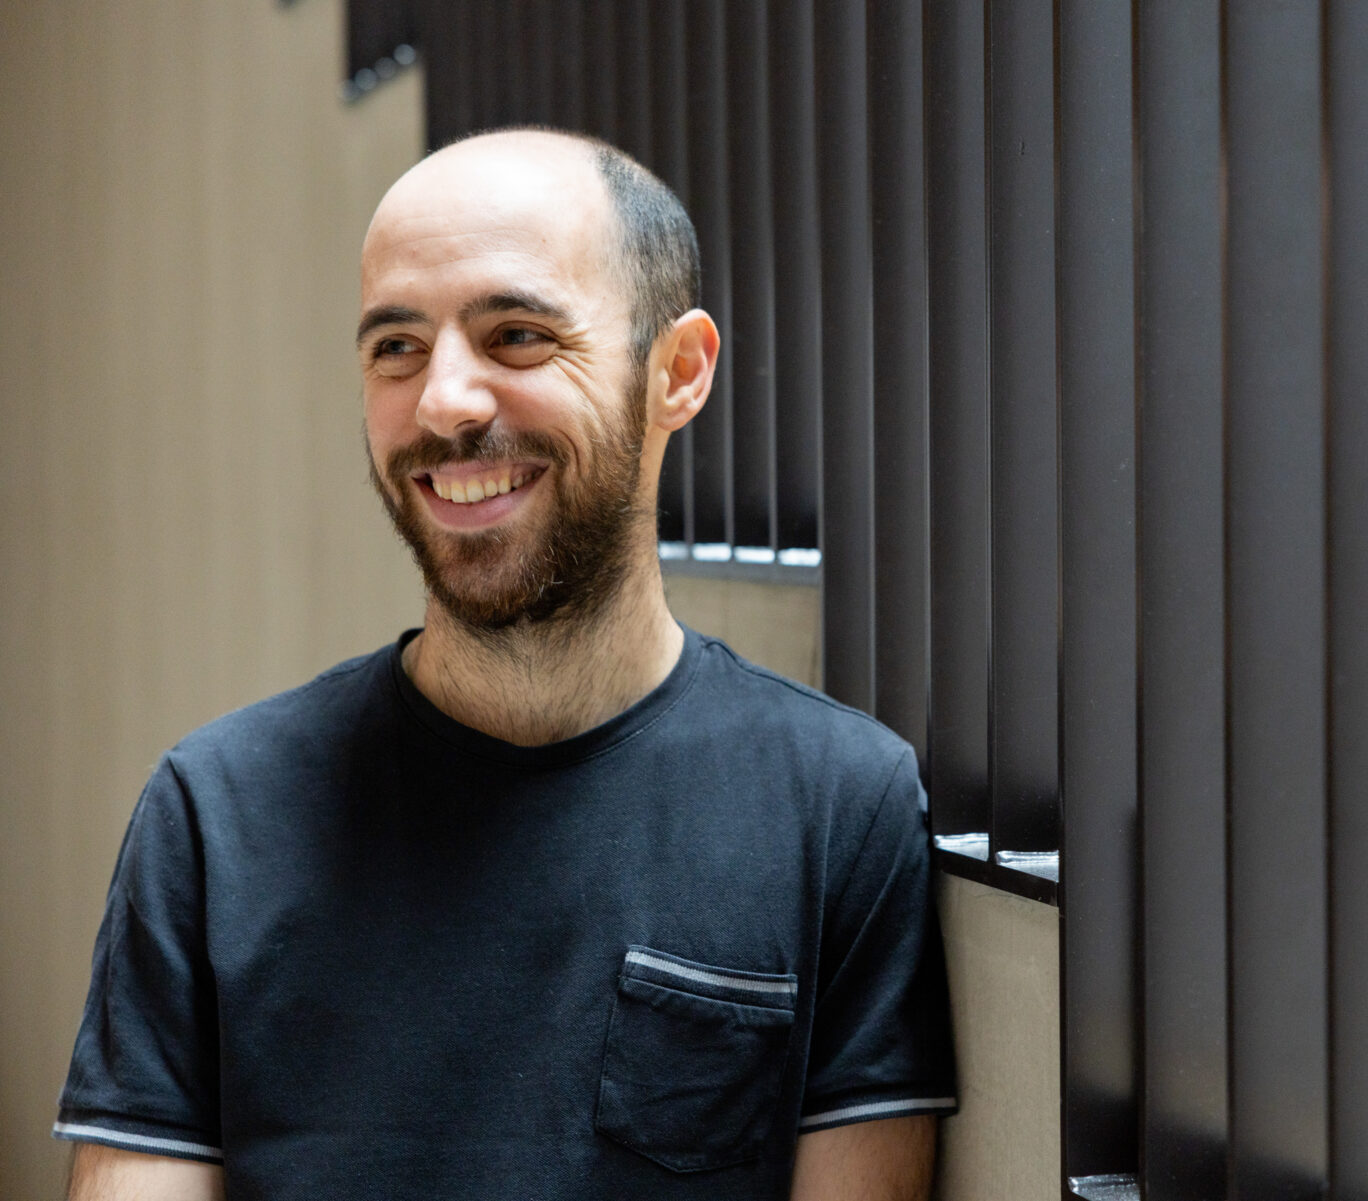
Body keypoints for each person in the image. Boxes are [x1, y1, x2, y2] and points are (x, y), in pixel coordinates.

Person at [53, 128, 956, 1201]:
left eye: (517, 335)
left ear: (678, 371)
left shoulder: (837, 808)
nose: (443, 403)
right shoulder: (216, 817)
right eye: (396, 348)